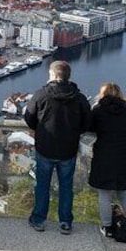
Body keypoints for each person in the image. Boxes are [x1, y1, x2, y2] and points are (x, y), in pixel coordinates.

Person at [24, 60, 91, 234]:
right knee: (66, 187)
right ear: (68, 76)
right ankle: (65, 222)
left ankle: (38, 219)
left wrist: (38, 129)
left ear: (53, 75)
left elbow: (29, 117)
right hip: (68, 149)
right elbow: (87, 123)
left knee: (42, 185)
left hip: (45, 147)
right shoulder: (79, 98)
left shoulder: (41, 95)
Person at [88, 83, 126, 238]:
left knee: (104, 194)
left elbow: (88, 127)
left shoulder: (98, 111)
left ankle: (108, 227)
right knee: (123, 192)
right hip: (124, 155)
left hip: (104, 155)